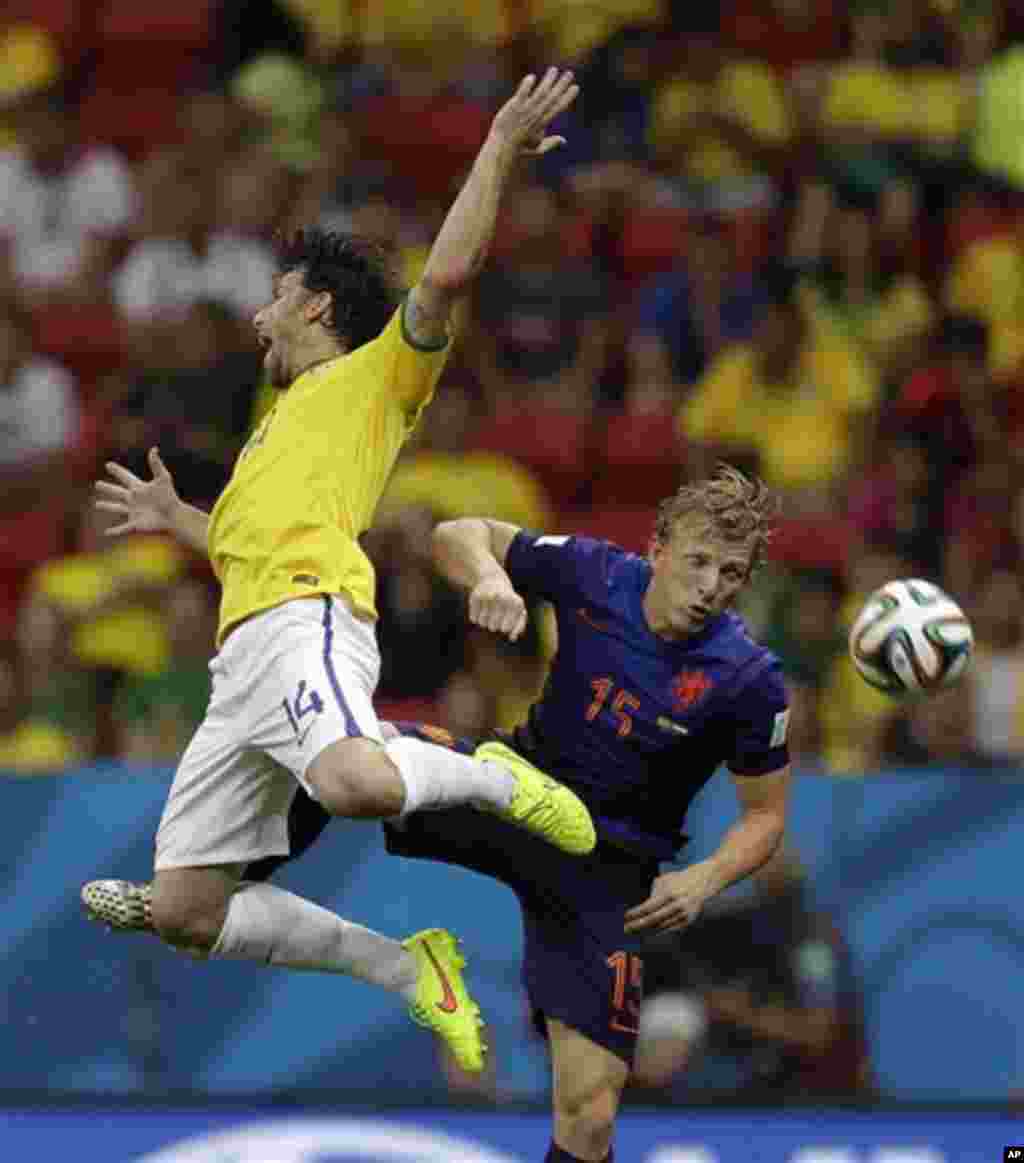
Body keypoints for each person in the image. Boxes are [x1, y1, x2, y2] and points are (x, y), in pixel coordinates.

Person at [81, 68, 596, 1078]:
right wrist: (180, 519)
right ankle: (409, 969)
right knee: (186, 908)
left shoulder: (371, 381)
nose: (258, 317)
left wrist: (496, 147)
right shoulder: (273, 430)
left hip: (304, 618)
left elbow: (444, 278)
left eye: (275, 296)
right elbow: (248, 543)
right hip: (242, 664)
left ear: (316, 304)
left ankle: (493, 775)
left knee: (355, 783)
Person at [86, 465, 791, 1163]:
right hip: (508, 787)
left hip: (606, 870)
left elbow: (765, 816)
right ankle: (206, 890)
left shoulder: (747, 679)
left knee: (590, 1118)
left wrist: (703, 879)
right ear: (658, 547)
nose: (710, 586)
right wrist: (489, 578)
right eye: (698, 561)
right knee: (346, 759)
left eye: (730, 573)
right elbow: (458, 533)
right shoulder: (598, 572)